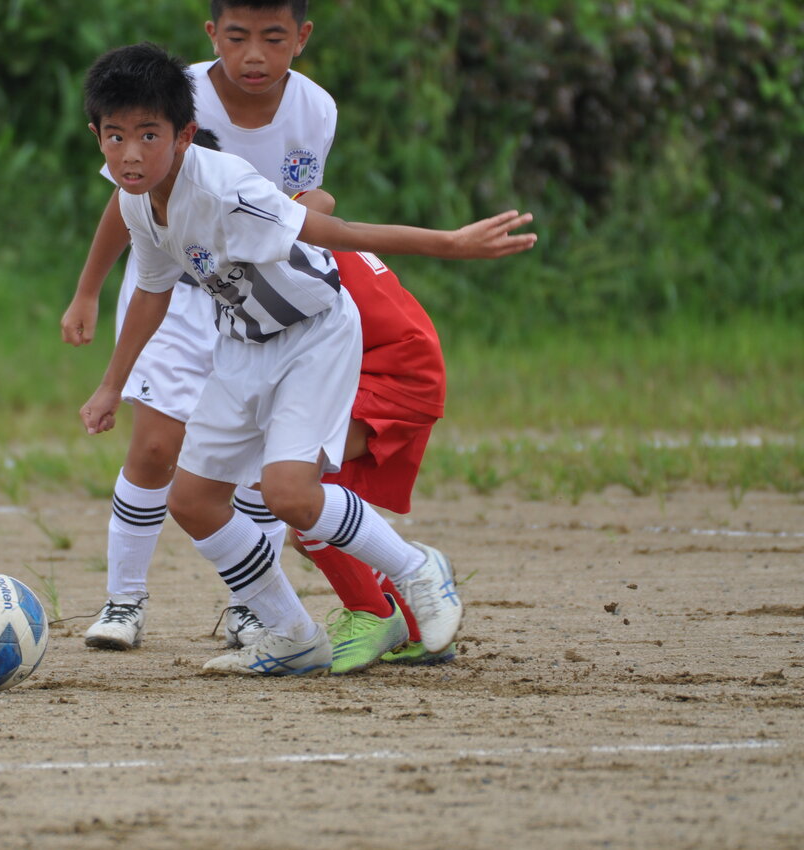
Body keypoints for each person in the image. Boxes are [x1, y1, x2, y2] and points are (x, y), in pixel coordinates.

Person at [79, 42, 535, 675]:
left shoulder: (226, 188)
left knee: (287, 492)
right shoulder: (137, 202)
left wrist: (450, 244)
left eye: (148, 135)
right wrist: (110, 386)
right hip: (241, 344)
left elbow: (336, 231)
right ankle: (292, 634)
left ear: (184, 136)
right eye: (115, 136)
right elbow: (152, 293)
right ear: (97, 137)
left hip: (314, 335)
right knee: (192, 501)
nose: (130, 153)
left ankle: (418, 569)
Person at [62, 0, 339, 653]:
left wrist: (313, 209)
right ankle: (123, 600)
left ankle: (251, 605)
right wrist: (88, 291)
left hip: (259, 296)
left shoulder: (315, 110)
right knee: (156, 448)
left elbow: (307, 207)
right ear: (213, 33)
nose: (252, 55)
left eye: (272, 38)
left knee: (253, 464)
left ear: (300, 38)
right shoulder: (168, 95)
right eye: (237, 36)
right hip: (177, 290)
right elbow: (126, 199)